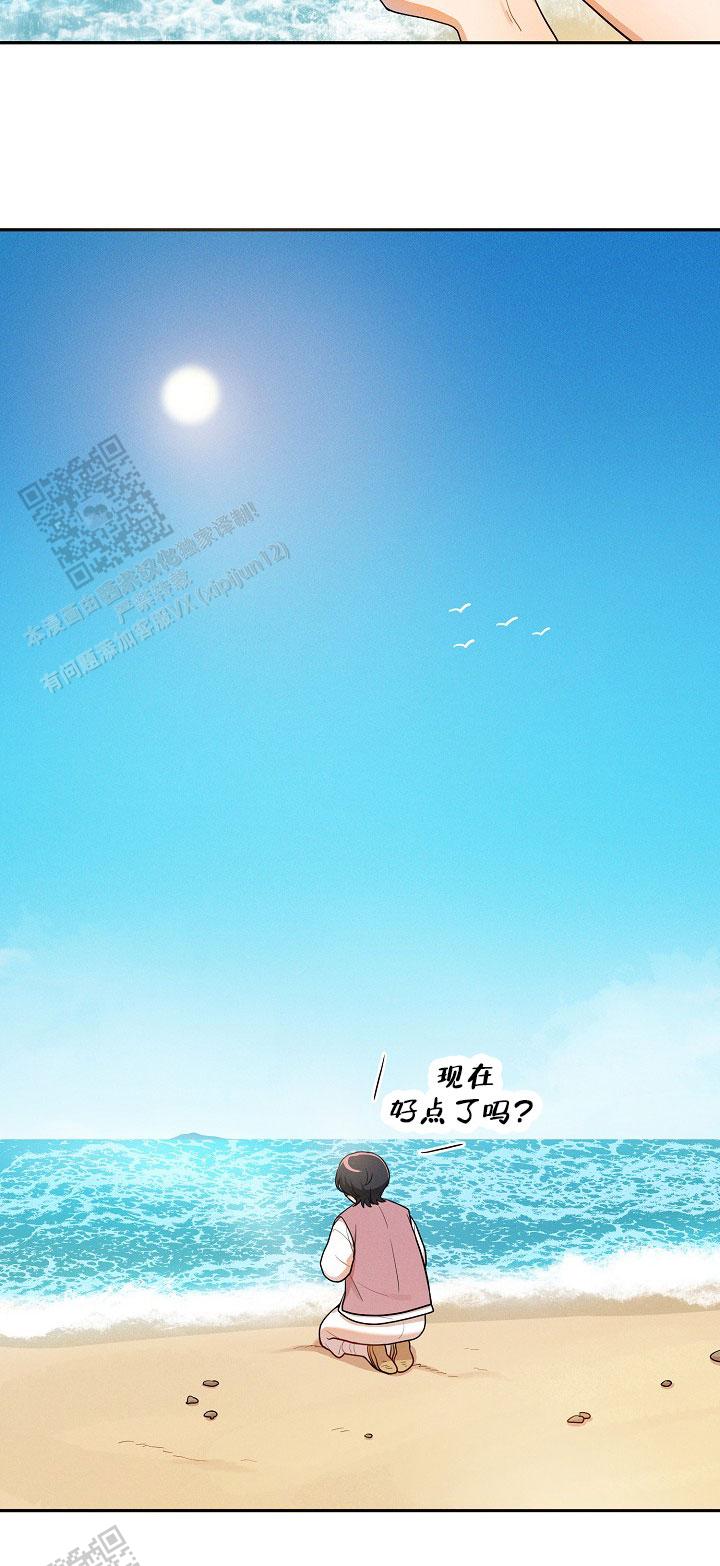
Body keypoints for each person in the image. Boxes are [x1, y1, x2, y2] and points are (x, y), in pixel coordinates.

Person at [318, 1151, 432, 1374]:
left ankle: (373, 1349)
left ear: (347, 1190)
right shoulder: (403, 1214)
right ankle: (402, 1346)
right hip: (416, 1320)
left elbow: (334, 1271)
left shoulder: (347, 1220)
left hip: (368, 1321)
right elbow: (422, 1258)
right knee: (395, 1319)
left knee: (327, 1334)